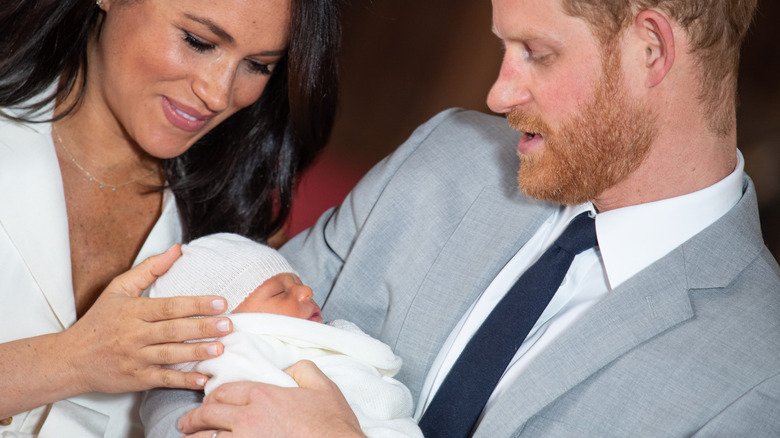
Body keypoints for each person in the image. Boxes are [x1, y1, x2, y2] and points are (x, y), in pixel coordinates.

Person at [148, 0, 780, 436]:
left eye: (537, 52)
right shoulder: (447, 156)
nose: (498, 95)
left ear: (651, 48)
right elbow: (194, 349)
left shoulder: (761, 377)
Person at [0, 0, 339, 435]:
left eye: (258, 65)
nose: (218, 94)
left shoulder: (237, 227)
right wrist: (72, 360)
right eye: (198, 41)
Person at [143, 233, 423, 438]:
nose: (307, 292)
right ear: (226, 324)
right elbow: (255, 409)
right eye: (280, 292)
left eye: (300, 283)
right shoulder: (239, 349)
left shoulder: (327, 339)